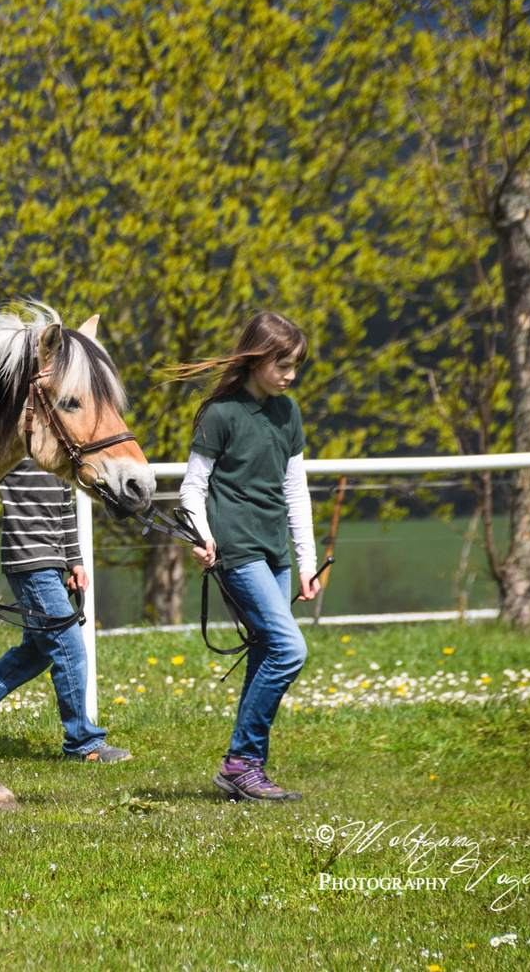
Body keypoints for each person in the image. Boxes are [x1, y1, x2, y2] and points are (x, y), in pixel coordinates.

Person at [177, 310, 320, 801]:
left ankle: (242, 767)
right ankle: (242, 762)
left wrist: (305, 561)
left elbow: (295, 491)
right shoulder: (220, 414)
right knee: (289, 648)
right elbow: (192, 489)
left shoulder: (289, 413)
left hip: (275, 551)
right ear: (257, 358)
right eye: (283, 364)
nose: (290, 375)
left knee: (266, 651)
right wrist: (202, 536)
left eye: (295, 365)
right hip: (237, 551)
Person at [0, 459, 132, 764]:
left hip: (52, 564)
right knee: (70, 649)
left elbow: (64, 508)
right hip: (30, 563)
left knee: (36, 652)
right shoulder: (15, 444)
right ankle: (83, 743)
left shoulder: (54, 451)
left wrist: (75, 561)